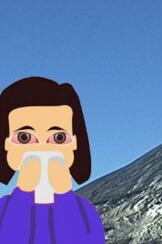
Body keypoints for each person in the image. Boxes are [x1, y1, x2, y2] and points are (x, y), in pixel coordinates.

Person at [0, 76, 105, 243]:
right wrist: (23, 197)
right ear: (6, 146)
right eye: (25, 137)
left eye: (59, 137)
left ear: (75, 145)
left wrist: (65, 200)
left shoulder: (85, 212)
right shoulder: (3, 210)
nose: (42, 148)